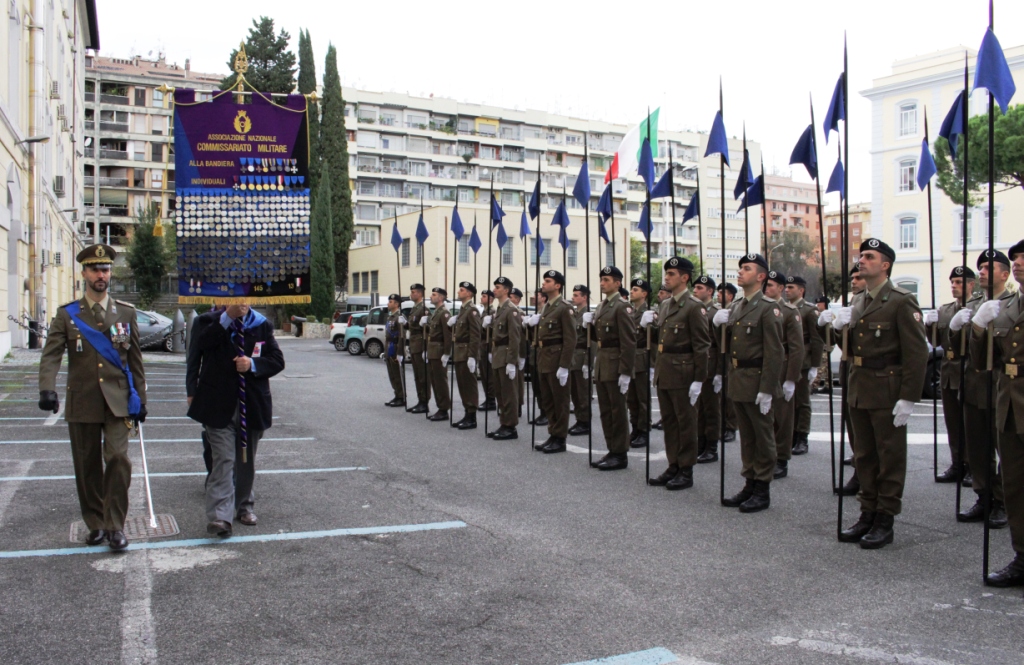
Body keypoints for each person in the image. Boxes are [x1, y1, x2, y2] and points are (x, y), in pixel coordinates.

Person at [38, 244, 147, 552]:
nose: (102, 275)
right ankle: (95, 523)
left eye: (106, 269)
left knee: (117, 458)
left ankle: (115, 526)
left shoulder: (125, 312)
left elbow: (135, 360)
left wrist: (141, 398)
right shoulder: (68, 315)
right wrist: (47, 388)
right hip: (83, 400)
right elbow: (51, 356)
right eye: (96, 269)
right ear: (84, 273)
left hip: (118, 402)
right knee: (86, 467)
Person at [824, 239, 928, 549]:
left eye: (869, 257)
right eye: (861, 256)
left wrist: (909, 397)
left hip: (887, 389)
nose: (861, 260)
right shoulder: (857, 301)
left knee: (889, 456)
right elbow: (849, 349)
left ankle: (885, 517)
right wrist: (834, 329)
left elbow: (916, 353)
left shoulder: (900, 300)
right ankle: (867, 511)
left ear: (885, 265)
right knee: (864, 457)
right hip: (859, 386)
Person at [188, 303, 284, 538]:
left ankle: (244, 506)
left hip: (251, 404)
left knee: (245, 459)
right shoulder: (206, 322)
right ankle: (220, 517)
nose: (241, 302)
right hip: (217, 402)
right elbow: (198, 351)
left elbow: (277, 360)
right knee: (223, 459)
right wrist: (191, 391)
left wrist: (251, 364)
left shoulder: (262, 324)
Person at [712, 254, 784, 513]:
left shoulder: (768, 307)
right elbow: (725, 343)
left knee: (763, 436)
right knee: (748, 438)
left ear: (761, 276)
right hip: (739, 379)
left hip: (757, 381)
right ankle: (749, 483)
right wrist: (716, 325)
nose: (740, 272)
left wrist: (767, 389)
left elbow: (775, 352)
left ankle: (762, 488)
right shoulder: (737, 306)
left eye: (747, 269)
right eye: (740, 268)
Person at [971, 238, 1024, 587]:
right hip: (1010, 404)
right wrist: (978, 327)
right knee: (1016, 485)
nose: (1019, 263)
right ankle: (1022, 555)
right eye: (1017, 258)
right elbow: (982, 362)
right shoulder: (1007, 308)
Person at [948, 250, 1014, 527]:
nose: (983, 271)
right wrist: (955, 328)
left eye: (989, 267)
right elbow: (959, 347)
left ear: (1005, 273)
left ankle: (1002, 501)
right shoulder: (974, 305)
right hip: (972, 384)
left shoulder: (1013, 305)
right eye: (981, 267)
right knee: (977, 447)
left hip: (1000, 385)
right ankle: (984, 496)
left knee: (1005, 449)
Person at [647, 257, 711, 490]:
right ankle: (673, 464)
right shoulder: (666, 305)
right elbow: (662, 340)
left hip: (684, 373)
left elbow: (702, 346)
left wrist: (698, 379)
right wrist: (649, 328)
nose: (667, 277)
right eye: (667, 273)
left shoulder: (694, 307)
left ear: (685, 277)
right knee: (671, 422)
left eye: (672, 273)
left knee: (686, 423)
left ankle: (686, 469)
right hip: (665, 371)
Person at [584, 266, 637, 471]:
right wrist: (589, 326)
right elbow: (599, 339)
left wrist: (625, 371)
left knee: (617, 411)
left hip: (615, 365)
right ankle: (612, 449)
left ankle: (620, 453)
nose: (602, 283)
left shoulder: (622, 307)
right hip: (603, 362)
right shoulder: (602, 306)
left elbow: (628, 342)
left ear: (618, 283)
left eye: (606, 280)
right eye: (601, 280)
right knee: (606, 411)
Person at [927, 266, 976, 483]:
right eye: (953, 282)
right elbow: (936, 341)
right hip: (948, 371)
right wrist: (929, 325)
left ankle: (974, 466)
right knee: (953, 422)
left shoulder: (979, 307)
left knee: (971, 424)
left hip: (968, 369)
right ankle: (957, 463)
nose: (955, 286)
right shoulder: (946, 310)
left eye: (960, 282)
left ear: (971, 284)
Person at [527, 270, 577, 453]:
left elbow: (570, 339)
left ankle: (560, 438)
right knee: (547, 400)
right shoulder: (546, 307)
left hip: (556, 360)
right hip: (544, 358)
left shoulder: (564, 307)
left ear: (558, 285)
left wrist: (564, 366)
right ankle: (553, 433)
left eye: (548, 281)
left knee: (559, 401)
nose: (544, 283)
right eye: (544, 280)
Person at [763, 271, 803, 480]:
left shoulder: (789, 311)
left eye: (770, 285)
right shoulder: (762, 308)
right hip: (765, 368)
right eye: (765, 285)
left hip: (783, 369)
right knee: (765, 417)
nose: (766, 289)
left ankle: (782, 459)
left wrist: (791, 379)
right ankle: (767, 457)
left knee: (783, 418)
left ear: (780, 288)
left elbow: (796, 348)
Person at [785, 275, 824, 457]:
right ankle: (791, 435)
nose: (787, 290)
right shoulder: (783, 308)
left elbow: (816, 340)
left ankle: (802, 438)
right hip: (788, 359)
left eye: (791, 287)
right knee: (788, 401)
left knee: (802, 402)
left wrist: (815, 365)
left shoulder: (809, 310)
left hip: (803, 362)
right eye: (786, 287)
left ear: (801, 290)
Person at [187, 305, 222, 476]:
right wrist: (191, 391)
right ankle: (214, 473)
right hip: (211, 390)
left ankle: (230, 478)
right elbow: (193, 358)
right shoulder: (203, 321)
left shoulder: (253, 321)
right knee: (212, 438)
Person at [486, 277, 522, 440]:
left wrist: (511, 362)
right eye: (495, 287)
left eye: (498, 287)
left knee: (508, 393)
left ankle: (510, 426)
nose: (495, 289)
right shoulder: (498, 309)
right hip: (497, 354)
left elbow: (515, 338)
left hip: (506, 354)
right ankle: (504, 422)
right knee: (500, 392)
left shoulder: (511, 310)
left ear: (506, 290)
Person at [693, 275, 721, 463]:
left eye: (700, 288)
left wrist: (720, 371)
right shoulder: (697, 309)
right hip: (698, 365)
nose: (695, 290)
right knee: (699, 408)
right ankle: (701, 442)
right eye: (694, 287)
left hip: (711, 365)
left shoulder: (715, 312)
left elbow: (721, 346)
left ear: (710, 291)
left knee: (711, 408)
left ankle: (711, 446)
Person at [626, 279, 654, 449]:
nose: (631, 292)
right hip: (631, 359)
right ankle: (635, 428)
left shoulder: (648, 313)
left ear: (644, 294)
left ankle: (644, 430)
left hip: (642, 359)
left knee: (642, 398)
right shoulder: (630, 312)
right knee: (631, 399)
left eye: (635, 290)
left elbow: (653, 340)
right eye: (631, 289)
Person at [451, 281, 482, 430]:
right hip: (459, 351)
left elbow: (476, 335)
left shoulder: (472, 310)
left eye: (461, 290)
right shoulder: (462, 310)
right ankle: (466, 413)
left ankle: (472, 416)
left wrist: (472, 356)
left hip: (466, 352)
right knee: (462, 385)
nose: (458, 292)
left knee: (469, 385)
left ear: (469, 294)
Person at [424, 287, 453, 422]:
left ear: (441, 298)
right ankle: (440, 406)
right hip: (432, 351)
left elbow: (447, 336)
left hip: (439, 351)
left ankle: (444, 409)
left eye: (434, 294)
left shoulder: (444, 313)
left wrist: (447, 353)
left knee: (440, 381)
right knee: (435, 381)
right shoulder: (436, 312)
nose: (431, 296)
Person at [568, 285, 593, 436]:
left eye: (577, 295)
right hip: (573, 358)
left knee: (583, 392)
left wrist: (587, 362)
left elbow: (593, 341)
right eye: (574, 295)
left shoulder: (588, 314)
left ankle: (585, 422)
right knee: (575, 393)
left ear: (584, 297)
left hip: (582, 356)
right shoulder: (575, 314)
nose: (573, 298)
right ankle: (579, 419)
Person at [718, 282, 739, 442]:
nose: (718, 295)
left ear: (730, 296)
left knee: (729, 395)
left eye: (722, 293)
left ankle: (731, 426)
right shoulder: (719, 312)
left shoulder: (735, 310)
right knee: (721, 395)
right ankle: (723, 425)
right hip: (720, 356)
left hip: (732, 357)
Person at [406, 284, 431, 414]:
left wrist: (426, 349)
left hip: (421, 345)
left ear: (420, 294)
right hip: (414, 344)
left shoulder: (423, 310)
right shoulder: (414, 309)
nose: (411, 294)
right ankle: (420, 400)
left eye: (414, 292)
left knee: (423, 376)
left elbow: (428, 331)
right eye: (411, 292)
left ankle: (424, 401)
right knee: (417, 375)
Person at [652, 284, 672, 431]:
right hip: (662, 360)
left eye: (663, 292)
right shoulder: (663, 308)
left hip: (677, 362)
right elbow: (658, 337)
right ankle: (665, 419)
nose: (659, 295)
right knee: (664, 397)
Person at [529, 290, 549, 427]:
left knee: (544, 387)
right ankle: (542, 411)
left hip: (545, 353)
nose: (534, 298)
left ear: (543, 298)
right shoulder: (537, 311)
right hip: (535, 352)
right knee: (536, 385)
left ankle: (547, 413)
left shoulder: (546, 310)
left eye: (537, 296)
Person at [383, 294, 406, 407]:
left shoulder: (399, 317)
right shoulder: (390, 317)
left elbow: (402, 336)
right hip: (389, 347)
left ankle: (401, 396)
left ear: (397, 304)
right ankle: (397, 394)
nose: (388, 303)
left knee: (397, 374)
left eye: (391, 302)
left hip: (395, 348)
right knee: (392, 374)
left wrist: (400, 352)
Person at [478, 290, 497, 412]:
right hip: (482, 346)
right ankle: (488, 397)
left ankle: (491, 399)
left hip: (488, 345)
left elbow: (492, 334)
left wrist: (491, 350)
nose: (481, 298)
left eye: (484, 296)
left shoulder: (493, 312)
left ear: (490, 299)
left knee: (489, 375)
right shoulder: (484, 311)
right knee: (484, 374)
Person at [510, 287, 528, 415]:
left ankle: (519, 405)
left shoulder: (519, 314)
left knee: (518, 381)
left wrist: (522, 355)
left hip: (517, 352)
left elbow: (521, 337)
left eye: (511, 297)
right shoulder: (507, 311)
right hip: (508, 351)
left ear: (516, 299)